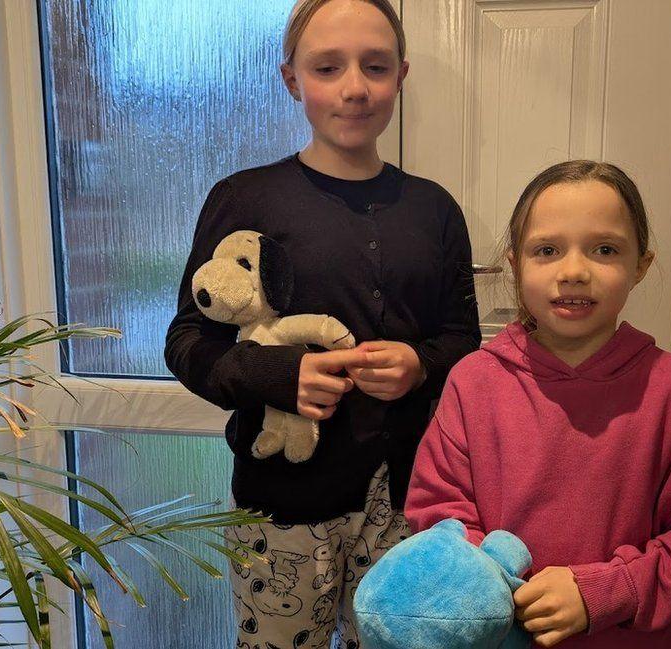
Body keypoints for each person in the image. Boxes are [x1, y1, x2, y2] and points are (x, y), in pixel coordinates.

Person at [164, 0, 480, 646]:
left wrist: (420, 364)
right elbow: (187, 341)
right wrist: (283, 374)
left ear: (402, 75)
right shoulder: (243, 198)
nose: (355, 87)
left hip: (409, 506)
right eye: (329, 67)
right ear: (292, 80)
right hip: (282, 507)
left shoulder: (435, 210)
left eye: (375, 66)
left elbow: (463, 339)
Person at [405, 160, 671, 648]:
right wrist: (502, 591)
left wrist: (605, 593)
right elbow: (438, 518)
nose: (573, 272)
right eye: (547, 250)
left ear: (640, 266)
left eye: (604, 249)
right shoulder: (473, 383)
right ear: (515, 263)